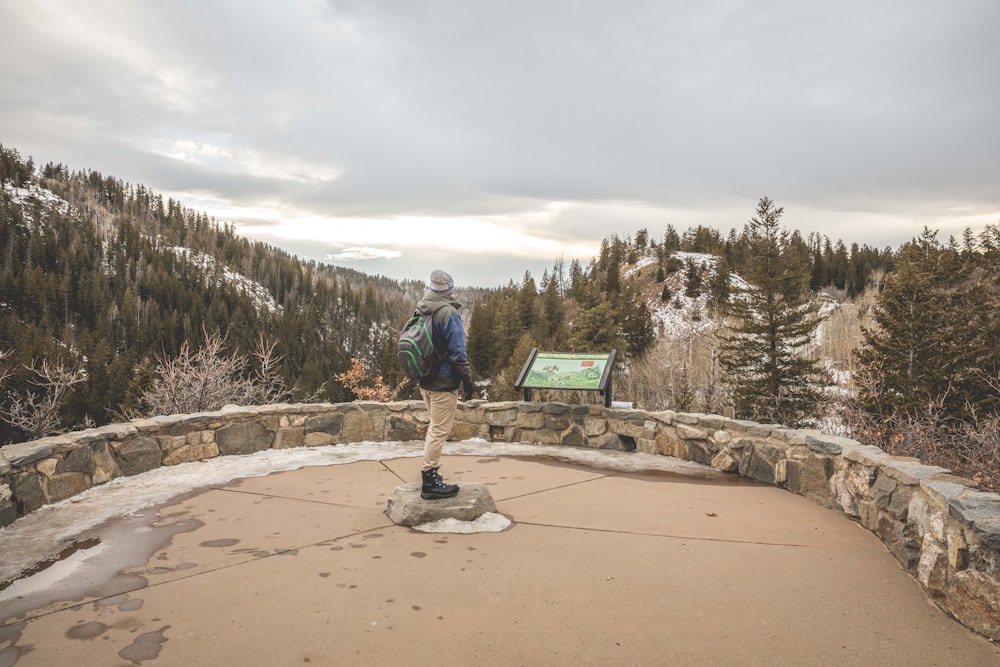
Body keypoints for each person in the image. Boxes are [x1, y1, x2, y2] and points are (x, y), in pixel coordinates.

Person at [416, 269, 474, 500]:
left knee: (435, 428)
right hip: (443, 382)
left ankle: (432, 475)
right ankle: (429, 479)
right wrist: (467, 378)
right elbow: (457, 352)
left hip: (425, 379)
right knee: (439, 431)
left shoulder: (422, 307)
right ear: (450, 288)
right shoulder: (448, 313)